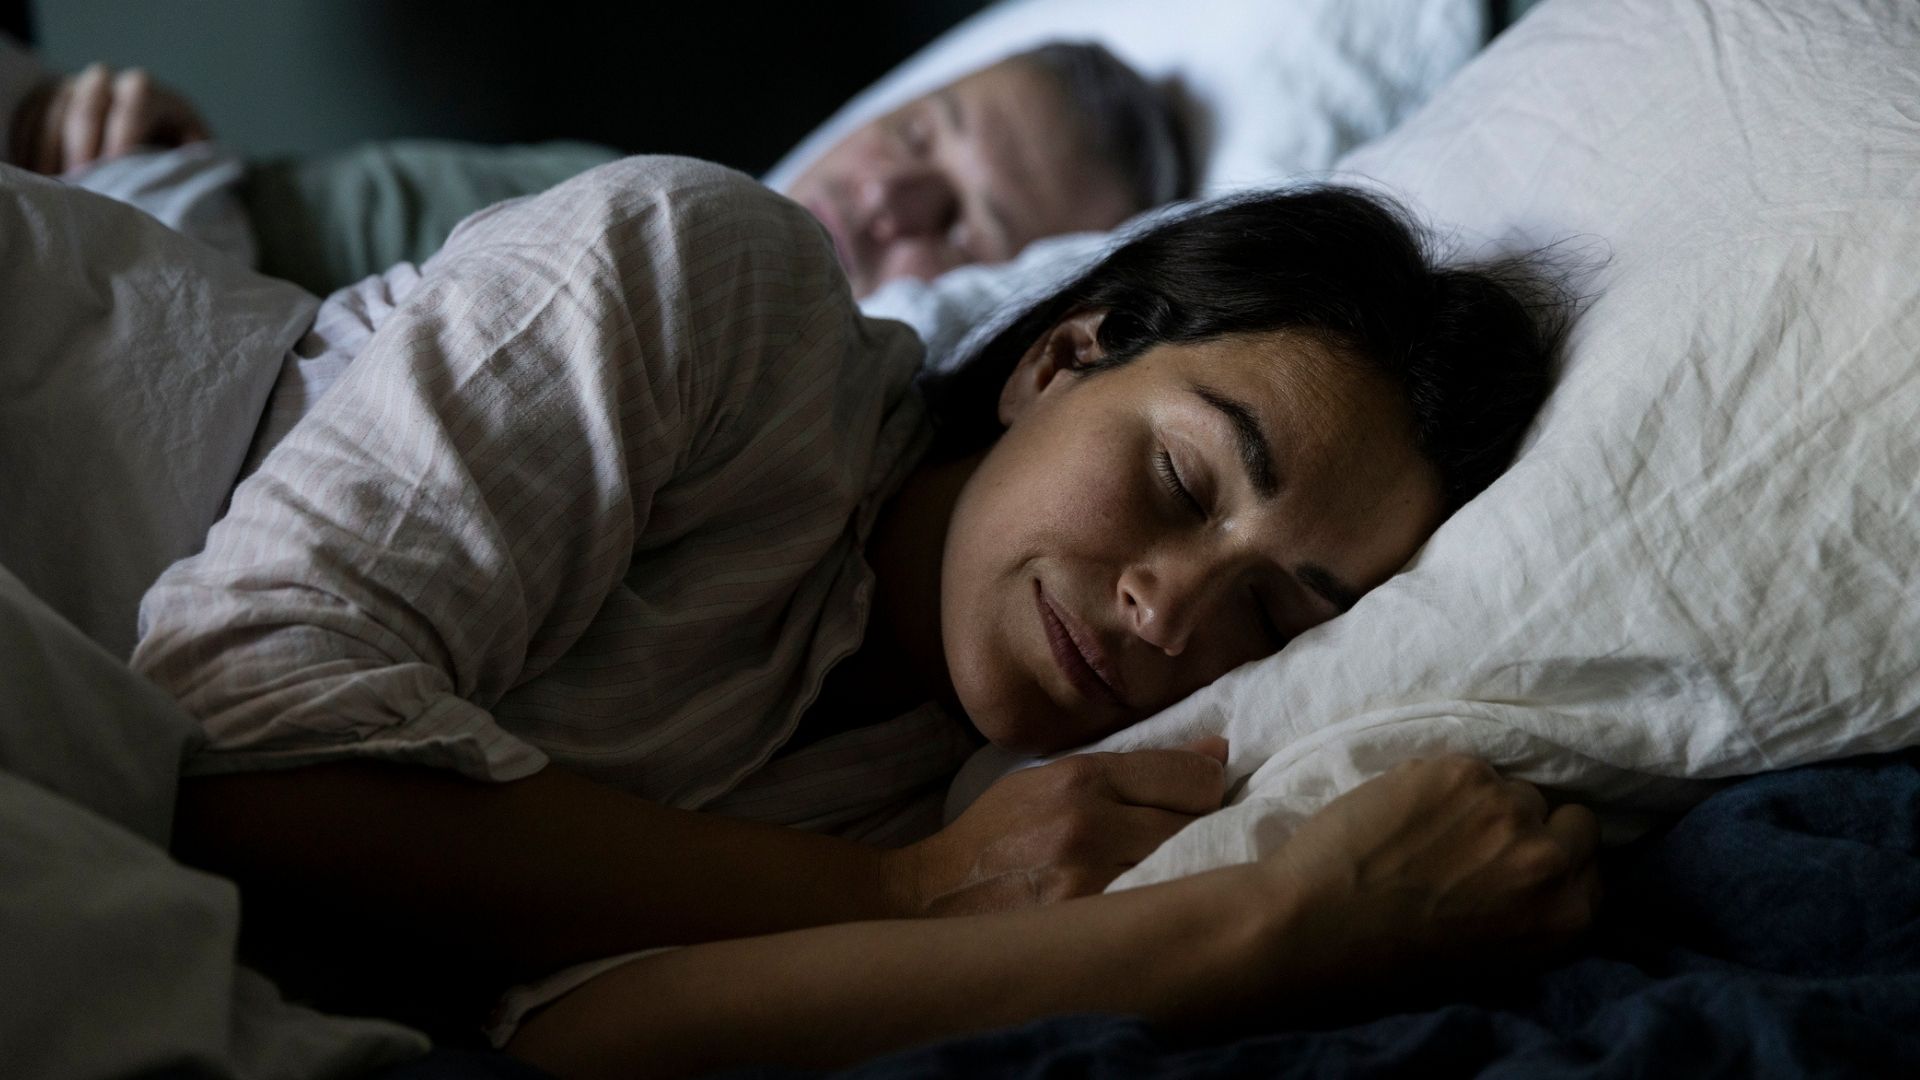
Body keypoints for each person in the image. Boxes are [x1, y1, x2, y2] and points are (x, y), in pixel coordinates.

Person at [133, 155, 1589, 1076]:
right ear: (1061, 356)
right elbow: (242, 736)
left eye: (1275, 615)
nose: (1169, 613)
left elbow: (577, 1035)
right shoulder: (713, 290)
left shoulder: (982, 795)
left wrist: (1254, 920)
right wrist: (910, 902)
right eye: (1177, 479)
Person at [1, 36, 1190, 298]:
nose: (885, 195)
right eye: (919, 136)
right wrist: (153, 146)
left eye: (966, 222)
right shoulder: (596, 174)